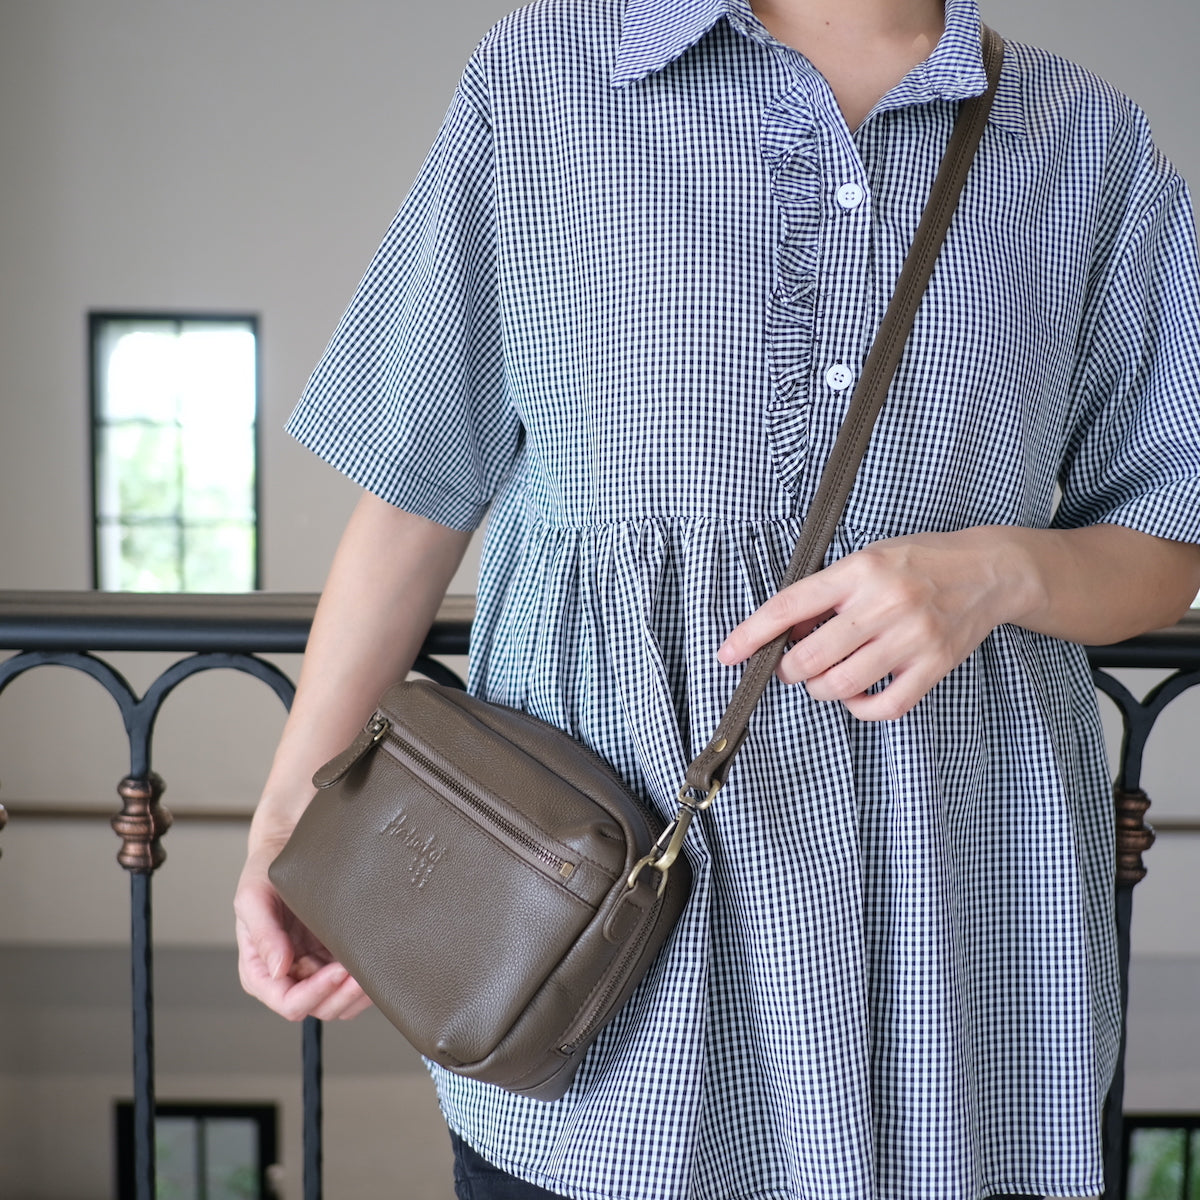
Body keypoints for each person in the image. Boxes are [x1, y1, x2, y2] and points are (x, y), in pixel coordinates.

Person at [234, 0, 1200, 1196]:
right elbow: (415, 493)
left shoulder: (1085, 142)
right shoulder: (545, 78)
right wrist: (287, 824)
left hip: (956, 937)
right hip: (603, 947)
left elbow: (1169, 537)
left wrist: (1000, 570)